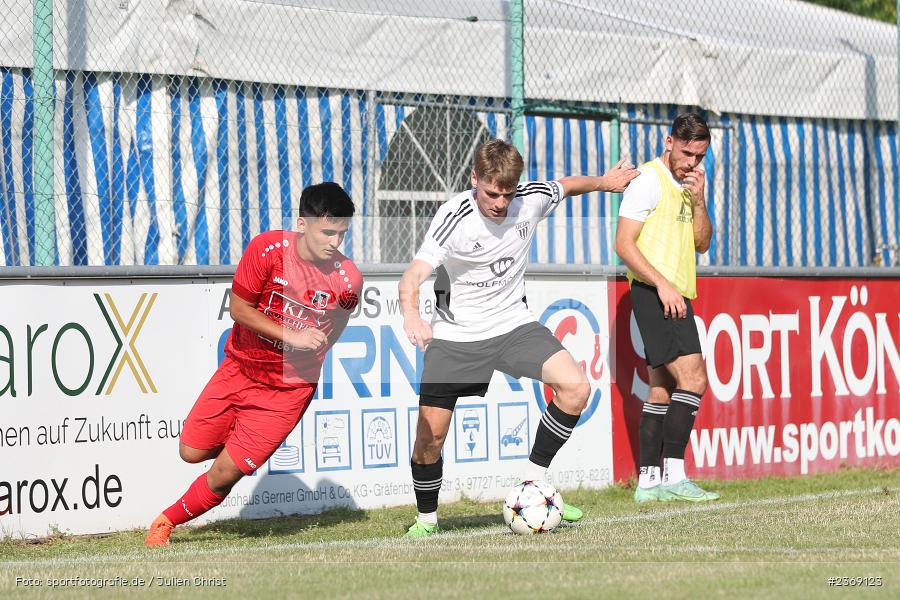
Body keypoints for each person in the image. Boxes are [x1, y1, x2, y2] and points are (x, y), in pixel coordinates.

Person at [399, 139, 639, 537]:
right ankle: (426, 521)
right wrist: (411, 314)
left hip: (514, 326)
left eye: (507, 194)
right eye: (491, 193)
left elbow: (566, 185)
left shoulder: (529, 199)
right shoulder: (454, 217)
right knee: (430, 437)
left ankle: (533, 486)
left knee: (576, 388)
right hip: (457, 336)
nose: (500, 203)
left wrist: (605, 182)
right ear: (474, 179)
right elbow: (412, 276)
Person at [145, 182, 363, 545]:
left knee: (223, 474)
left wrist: (305, 356)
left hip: (287, 391)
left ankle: (165, 521)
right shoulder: (267, 249)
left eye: (342, 233)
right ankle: (238, 442)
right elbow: (239, 309)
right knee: (190, 451)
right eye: (327, 232)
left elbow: (335, 327)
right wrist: (292, 336)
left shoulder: (348, 280)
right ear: (302, 224)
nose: (335, 242)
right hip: (240, 368)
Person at [614, 112, 719, 503]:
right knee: (694, 379)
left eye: (699, 156)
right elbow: (623, 244)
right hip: (656, 293)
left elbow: (702, 243)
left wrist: (700, 200)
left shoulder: (688, 186)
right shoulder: (647, 180)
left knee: (662, 388)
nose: (691, 162)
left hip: (673, 293)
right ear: (669, 142)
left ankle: (648, 483)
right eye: (687, 153)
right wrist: (662, 285)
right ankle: (675, 475)